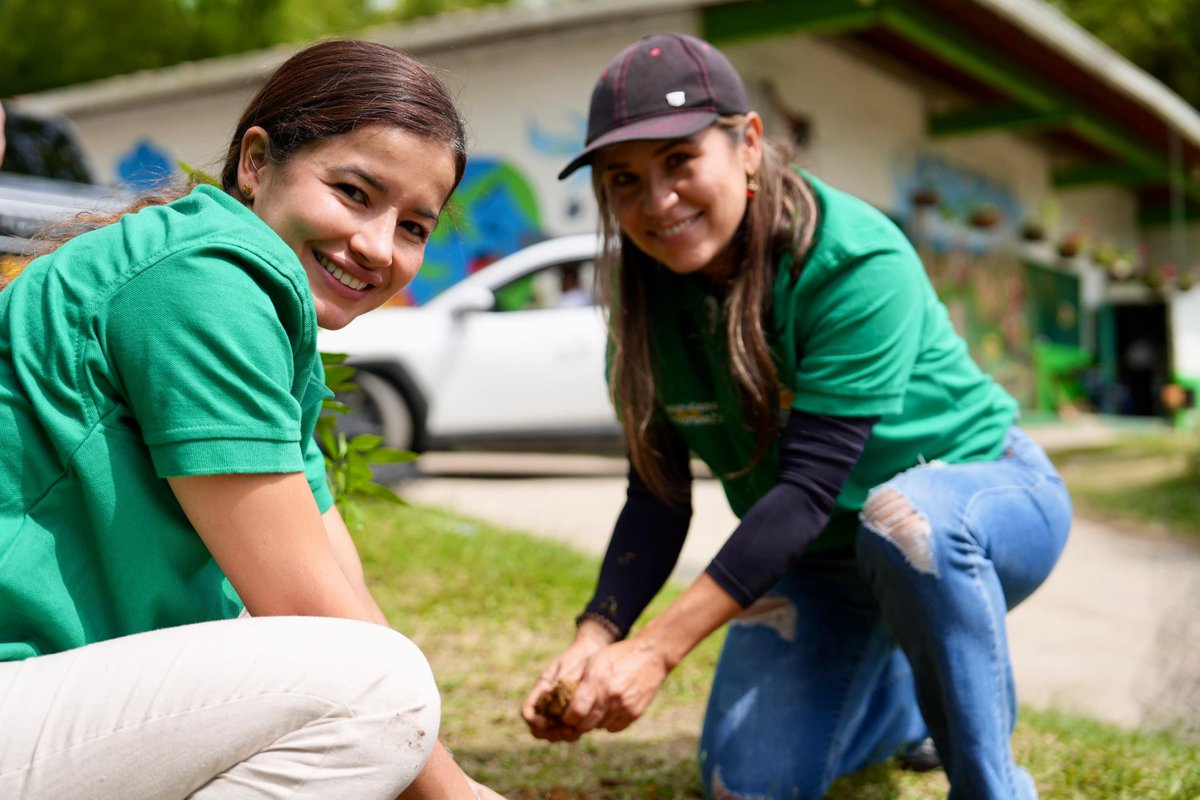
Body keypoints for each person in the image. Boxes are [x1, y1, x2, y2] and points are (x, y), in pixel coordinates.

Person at [521, 32, 1072, 800]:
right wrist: (595, 635)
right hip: (819, 563)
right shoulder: (639, 300)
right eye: (624, 180)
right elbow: (656, 498)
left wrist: (656, 651)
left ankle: (990, 787)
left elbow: (807, 487)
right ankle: (909, 697)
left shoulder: (850, 258)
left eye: (680, 161)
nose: (657, 201)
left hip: (981, 508)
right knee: (744, 785)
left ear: (747, 144)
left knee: (903, 521)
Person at [0, 39, 503, 800]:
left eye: (413, 227)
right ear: (257, 163)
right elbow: (316, 617)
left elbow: (336, 584)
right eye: (355, 192)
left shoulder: (246, 300)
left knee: (358, 674)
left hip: (39, 699)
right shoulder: (203, 280)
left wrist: (455, 785)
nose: (378, 246)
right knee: (377, 691)